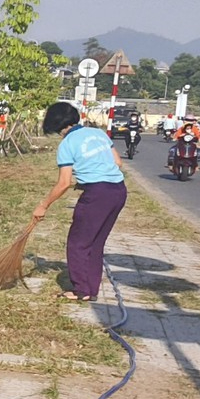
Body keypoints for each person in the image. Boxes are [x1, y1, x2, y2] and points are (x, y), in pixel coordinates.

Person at [31, 100, 126, 302]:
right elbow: (118, 162)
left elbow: (64, 183)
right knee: (96, 243)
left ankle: (81, 289)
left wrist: (43, 205)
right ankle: (90, 289)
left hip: (96, 195)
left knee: (78, 243)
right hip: (118, 191)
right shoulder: (98, 133)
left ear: (55, 125)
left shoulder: (67, 144)